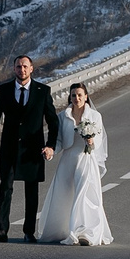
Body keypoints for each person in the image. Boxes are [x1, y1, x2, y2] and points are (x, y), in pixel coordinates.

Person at [0, 54, 58, 241]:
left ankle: (29, 231)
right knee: (5, 187)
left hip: (33, 149)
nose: (21, 70)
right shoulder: (5, 90)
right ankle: (2, 230)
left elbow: (53, 121)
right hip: (9, 147)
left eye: (25, 67)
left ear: (31, 68)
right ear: (13, 69)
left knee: (31, 190)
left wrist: (50, 146)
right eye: (18, 67)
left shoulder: (42, 91)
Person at [42, 81, 112, 247]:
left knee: (85, 195)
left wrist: (91, 141)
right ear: (70, 97)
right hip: (68, 160)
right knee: (64, 194)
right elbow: (58, 141)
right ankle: (65, 230)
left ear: (86, 97)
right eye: (73, 95)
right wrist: (51, 151)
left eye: (80, 95)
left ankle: (85, 232)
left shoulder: (95, 117)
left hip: (86, 158)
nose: (76, 98)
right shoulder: (63, 116)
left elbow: (99, 142)